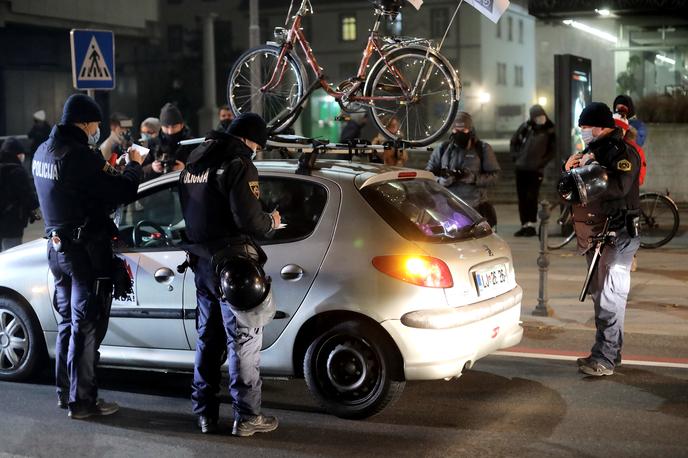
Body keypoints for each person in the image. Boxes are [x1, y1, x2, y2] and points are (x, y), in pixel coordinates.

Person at [32, 93, 143, 418]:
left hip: (57, 249)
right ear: (83, 122)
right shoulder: (80, 156)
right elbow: (121, 193)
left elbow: (76, 191)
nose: (96, 129)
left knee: (68, 323)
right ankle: (83, 402)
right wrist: (134, 166)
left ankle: (66, 393)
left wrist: (108, 172)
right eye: (94, 123)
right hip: (83, 254)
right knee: (87, 326)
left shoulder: (43, 151)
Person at [178, 113, 280, 437]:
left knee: (208, 341)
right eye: (258, 148)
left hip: (203, 265)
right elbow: (249, 219)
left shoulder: (196, 159)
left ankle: (205, 414)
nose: (256, 154)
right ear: (252, 141)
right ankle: (248, 416)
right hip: (234, 267)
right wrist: (272, 221)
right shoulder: (238, 162)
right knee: (244, 341)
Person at [563, 102, 640, 377]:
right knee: (602, 296)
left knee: (610, 296)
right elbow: (573, 189)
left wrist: (593, 168)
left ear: (599, 126)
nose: (583, 132)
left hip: (618, 233)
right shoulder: (592, 150)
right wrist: (571, 168)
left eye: (585, 127)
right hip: (595, 233)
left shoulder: (622, 152)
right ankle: (609, 353)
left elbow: (619, 187)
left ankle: (604, 359)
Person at [425, 111, 501, 227]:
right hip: (447, 209)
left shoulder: (483, 149)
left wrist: (474, 179)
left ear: (470, 130)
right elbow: (427, 176)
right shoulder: (442, 149)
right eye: (456, 130)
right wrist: (440, 181)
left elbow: (495, 176)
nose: (459, 134)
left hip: (475, 210)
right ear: (451, 130)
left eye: (463, 130)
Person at [510, 104, 556, 236]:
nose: (540, 119)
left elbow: (552, 150)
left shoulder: (550, 130)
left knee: (532, 196)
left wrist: (541, 163)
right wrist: (515, 157)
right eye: (536, 116)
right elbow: (514, 141)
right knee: (522, 197)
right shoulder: (526, 127)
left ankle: (532, 225)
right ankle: (524, 225)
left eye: (541, 115)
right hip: (521, 168)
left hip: (536, 170)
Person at [0, 137, 40, 251]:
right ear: (15, 155)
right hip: (12, 223)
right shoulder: (18, 172)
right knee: (12, 254)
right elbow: (27, 195)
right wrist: (34, 208)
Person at [141, 103, 195, 181]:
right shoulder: (149, 144)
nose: (170, 131)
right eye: (166, 127)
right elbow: (135, 172)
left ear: (181, 125)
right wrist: (151, 168)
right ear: (161, 126)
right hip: (156, 190)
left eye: (174, 127)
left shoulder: (192, 143)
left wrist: (185, 169)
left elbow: (204, 171)